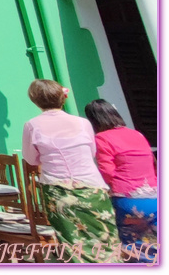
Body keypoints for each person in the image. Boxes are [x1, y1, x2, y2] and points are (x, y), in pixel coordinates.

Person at [21, 80, 119, 263]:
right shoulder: (83, 123)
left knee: (72, 243)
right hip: (91, 188)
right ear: (62, 98)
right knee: (106, 240)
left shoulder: (32, 125)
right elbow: (91, 152)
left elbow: (30, 158)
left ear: (35, 100)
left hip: (59, 190)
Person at [84, 99, 157, 263]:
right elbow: (152, 163)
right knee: (155, 246)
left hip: (128, 200)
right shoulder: (137, 134)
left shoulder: (102, 138)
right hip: (154, 197)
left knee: (133, 249)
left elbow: (107, 171)